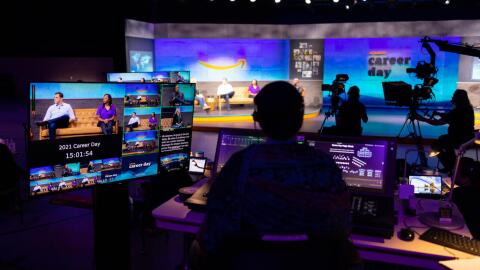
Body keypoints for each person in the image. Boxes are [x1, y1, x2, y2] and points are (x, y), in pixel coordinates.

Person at [190, 81, 355, 268]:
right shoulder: (324, 164)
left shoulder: (240, 164)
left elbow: (212, 234)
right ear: (300, 117)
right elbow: (342, 228)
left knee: (196, 248)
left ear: (258, 118)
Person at [415, 89, 474, 173]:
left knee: (436, 144)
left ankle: (451, 166)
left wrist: (422, 119)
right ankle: (453, 165)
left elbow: (437, 123)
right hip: (468, 138)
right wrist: (439, 114)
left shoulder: (457, 111)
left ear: (457, 99)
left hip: (459, 139)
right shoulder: (468, 109)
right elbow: (450, 117)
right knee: (443, 140)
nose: (452, 98)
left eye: (453, 96)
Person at [451, 157, 480, 239]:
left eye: (455, 169)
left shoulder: (458, 194)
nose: (452, 172)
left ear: (466, 176)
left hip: (470, 241)